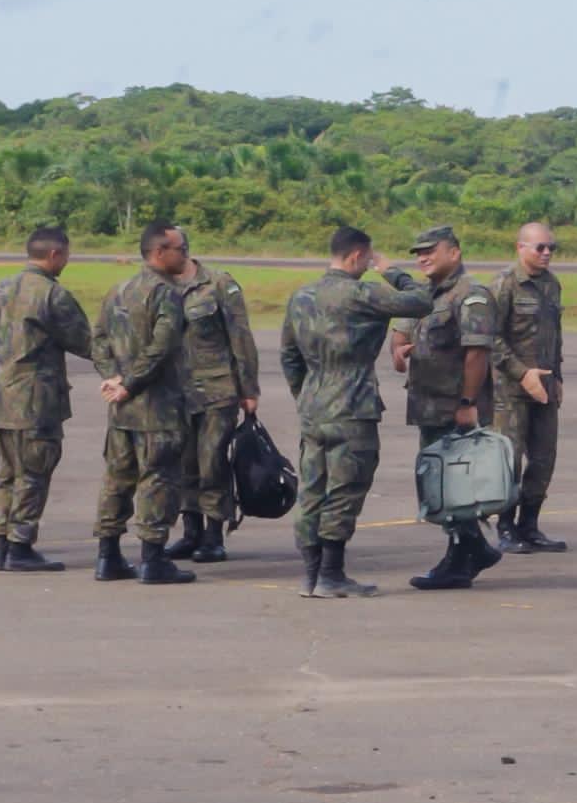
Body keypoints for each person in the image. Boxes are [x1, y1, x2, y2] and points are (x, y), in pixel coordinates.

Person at [277, 224, 436, 598]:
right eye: (366, 259)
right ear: (355, 257)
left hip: (315, 405)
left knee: (313, 489)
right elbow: (421, 300)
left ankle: (312, 575)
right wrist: (392, 271)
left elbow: (288, 355)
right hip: (352, 405)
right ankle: (331, 573)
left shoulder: (302, 296)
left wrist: (306, 395)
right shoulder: (363, 294)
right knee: (347, 487)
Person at [392, 222, 504, 591]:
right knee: (440, 488)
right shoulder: (425, 295)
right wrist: (399, 351)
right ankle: (472, 550)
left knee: (454, 490)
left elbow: (477, 353)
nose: (423, 257)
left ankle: (461, 558)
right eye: (418, 253)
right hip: (428, 407)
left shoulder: (471, 295)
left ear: (454, 253)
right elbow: (401, 332)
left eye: (430, 250)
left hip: (454, 409)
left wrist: (467, 403)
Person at [88, 223, 200, 584]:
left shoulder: (118, 290)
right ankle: (153, 558)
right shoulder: (166, 293)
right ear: (159, 252)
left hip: (122, 411)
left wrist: (112, 377)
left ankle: (108, 555)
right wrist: (130, 383)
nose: (185, 255)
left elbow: (99, 339)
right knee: (158, 480)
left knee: (117, 479)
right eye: (181, 248)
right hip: (157, 407)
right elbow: (162, 346)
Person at [0, 226, 89, 571]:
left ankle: (2, 542)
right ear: (55, 254)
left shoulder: (1, 290)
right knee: (34, 473)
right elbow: (86, 342)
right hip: (36, 399)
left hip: (3, 397)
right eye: (66, 255)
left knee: (9, 472)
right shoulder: (53, 295)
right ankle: (20, 545)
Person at [172, 248, 263, 565]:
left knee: (212, 461)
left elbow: (240, 336)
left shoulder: (219, 284)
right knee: (184, 463)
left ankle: (213, 536)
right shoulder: (157, 286)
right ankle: (190, 532)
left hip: (217, 388)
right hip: (174, 392)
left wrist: (248, 387)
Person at [490, 220, 569, 553]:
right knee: (510, 461)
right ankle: (505, 527)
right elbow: (490, 339)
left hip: (546, 388)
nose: (547, 253)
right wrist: (523, 374)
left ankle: (530, 525)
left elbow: (556, 335)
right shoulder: (505, 285)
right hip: (512, 390)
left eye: (552, 247)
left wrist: (559, 377)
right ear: (520, 248)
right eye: (540, 247)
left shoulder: (552, 285)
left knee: (544, 458)